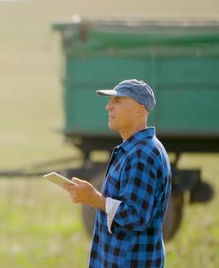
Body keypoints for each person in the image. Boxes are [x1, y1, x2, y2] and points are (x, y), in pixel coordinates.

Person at [63, 79, 171, 267]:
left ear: (139, 109)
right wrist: (90, 198)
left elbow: (135, 217)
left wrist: (96, 198)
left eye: (117, 101)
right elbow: (120, 208)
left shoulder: (141, 154)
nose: (108, 107)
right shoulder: (135, 149)